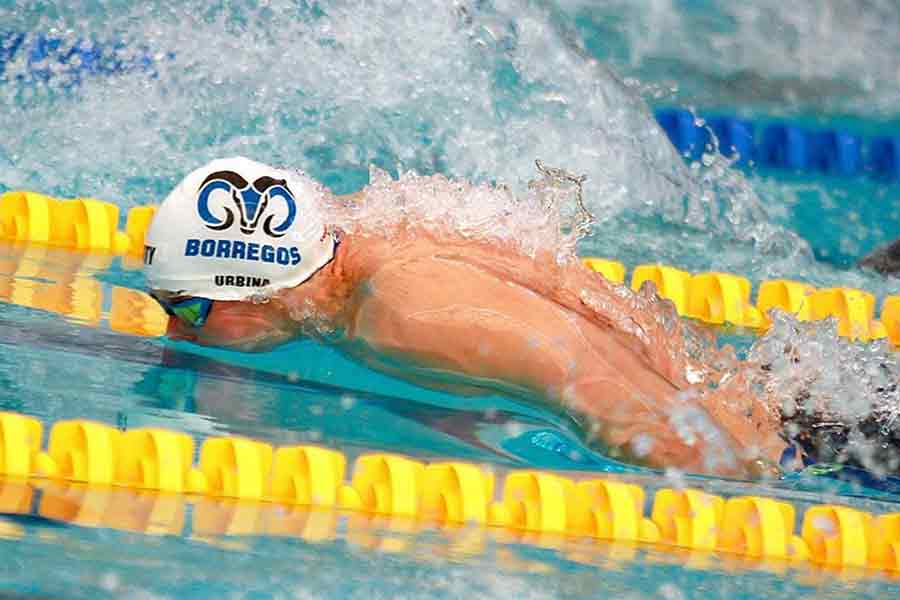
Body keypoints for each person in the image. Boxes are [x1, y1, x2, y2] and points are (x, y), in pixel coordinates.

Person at [144, 156, 791, 479]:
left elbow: (633, 413)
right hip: (771, 395)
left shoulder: (405, 314)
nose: (175, 330)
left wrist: (766, 485)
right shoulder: (365, 230)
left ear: (262, 288)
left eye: (191, 309)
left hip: (799, 450)